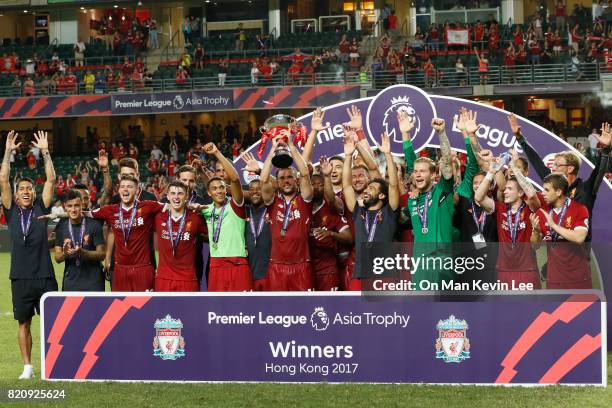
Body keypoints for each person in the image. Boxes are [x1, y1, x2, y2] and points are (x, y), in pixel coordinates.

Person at [1, 130, 57, 379]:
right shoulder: (11, 211)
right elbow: (3, 179)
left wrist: (45, 152)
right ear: (15, 193)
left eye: (29, 188)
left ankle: (53, 363)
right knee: (24, 323)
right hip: (21, 278)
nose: (25, 191)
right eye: (21, 188)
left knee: (52, 323)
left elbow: (51, 180)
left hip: (44, 275)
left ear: (34, 194)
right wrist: (7, 152)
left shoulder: (41, 207)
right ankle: (28, 367)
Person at [509, 116, 611, 240]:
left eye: (557, 165)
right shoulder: (553, 183)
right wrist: (520, 138)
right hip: (555, 251)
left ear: (570, 169)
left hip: (578, 252)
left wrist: (605, 150)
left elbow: (598, 172)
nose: (553, 167)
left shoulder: (585, 189)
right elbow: (537, 162)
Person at [341, 131, 399, 290]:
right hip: (360, 273)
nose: (366, 190)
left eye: (371, 188)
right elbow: (346, 186)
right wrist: (347, 156)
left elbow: (393, 185)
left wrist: (387, 154)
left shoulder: (390, 212)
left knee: (385, 315)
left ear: (381, 195)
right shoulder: (359, 211)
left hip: (384, 275)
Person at [474, 151, 542, 288]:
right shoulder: (500, 209)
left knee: (531, 310)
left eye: (509, 189)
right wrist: (491, 172)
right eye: (506, 189)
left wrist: (515, 169)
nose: (504, 191)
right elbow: (479, 197)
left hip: (526, 270)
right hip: (504, 270)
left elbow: (532, 195)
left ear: (520, 192)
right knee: (505, 309)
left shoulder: (530, 208)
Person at [260, 129, 314, 291]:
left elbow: (305, 174)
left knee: (304, 310)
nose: (286, 181)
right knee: (277, 311)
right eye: (282, 178)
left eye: (290, 177)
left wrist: (291, 145)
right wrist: (272, 150)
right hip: (276, 266)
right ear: (276, 183)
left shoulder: (304, 199)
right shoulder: (272, 200)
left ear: (295, 180)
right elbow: (263, 180)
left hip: (302, 264)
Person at [91, 175, 164, 291]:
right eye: (122, 186)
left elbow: (171, 207)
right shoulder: (111, 210)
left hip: (142, 269)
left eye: (129, 187)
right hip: (120, 270)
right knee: (121, 307)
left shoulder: (147, 206)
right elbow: (85, 214)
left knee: (145, 307)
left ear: (136, 190)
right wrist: (59, 215)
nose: (125, 189)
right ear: (119, 190)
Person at [200, 142, 252, 291]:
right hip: (216, 265)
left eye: (222, 187)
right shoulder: (205, 210)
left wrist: (216, 152)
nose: (219, 191)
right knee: (217, 311)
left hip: (238, 264)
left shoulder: (236, 205)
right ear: (209, 192)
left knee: (243, 310)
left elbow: (235, 179)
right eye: (215, 189)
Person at [531, 174, 591, 289]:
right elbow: (534, 246)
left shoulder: (579, 209)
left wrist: (553, 225)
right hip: (554, 279)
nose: (542, 193)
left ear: (559, 192)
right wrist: (536, 231)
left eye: (547, 190)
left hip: (578, 278)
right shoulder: (542, 212)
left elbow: (579, 238)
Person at [155, 181, 207, 291]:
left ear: (187, 196)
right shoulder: (158, 217)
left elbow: (213, 233)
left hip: (187, 279)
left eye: (180, 193)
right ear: (168, 196)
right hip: (164, 279)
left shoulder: (196, 218)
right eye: (173, 193)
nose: (176, 197)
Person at [54, 190, 106, 291]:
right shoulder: (61, 227)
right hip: (71, 283)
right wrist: (65, 254)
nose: (73, 209)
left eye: (76, 205)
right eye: (70, 206)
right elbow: (57, 258)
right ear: (65, 206)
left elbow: (102, 255)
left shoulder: (94, 225)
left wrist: (83, 252)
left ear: (82, 205)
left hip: (93, 282)